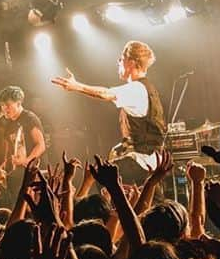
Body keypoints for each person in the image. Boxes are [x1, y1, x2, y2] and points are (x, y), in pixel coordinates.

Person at [51, 40, 165, 182]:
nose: (118, 63)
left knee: (104, 178)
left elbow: (105, 93)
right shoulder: (144, 88)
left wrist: (77, 86)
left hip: (140, 162)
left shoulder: (136, 89)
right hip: (147, 161)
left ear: (130, 62)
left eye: (121, 59)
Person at [0, 86, 46, 172]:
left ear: (18, 103)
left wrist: (26, 162)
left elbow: (40, 145)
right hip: (20, 173)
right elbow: (9, 155)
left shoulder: (29, 118)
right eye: (2, 105)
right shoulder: (8, 125)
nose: (4, 109)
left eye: (7, 105)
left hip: (36, 172)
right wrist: (1, 169)